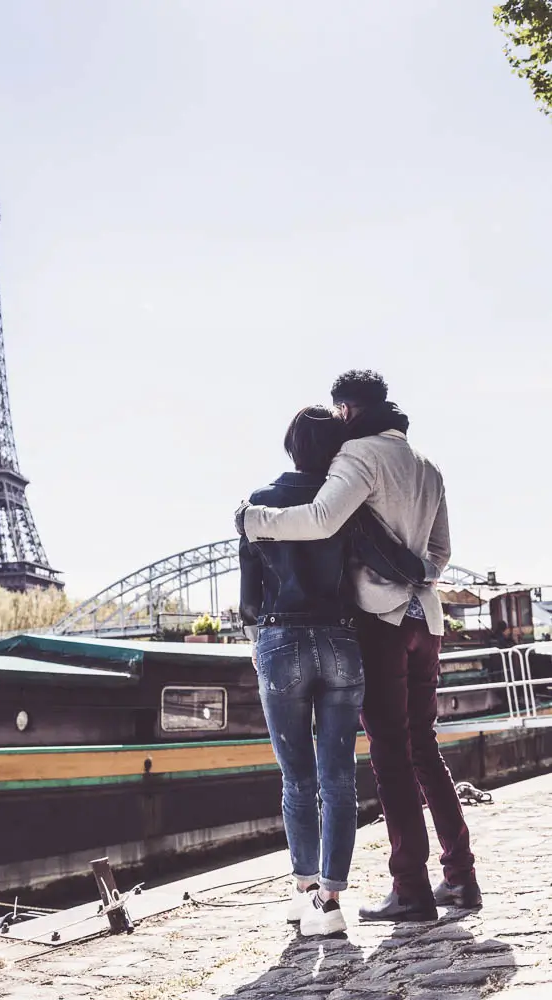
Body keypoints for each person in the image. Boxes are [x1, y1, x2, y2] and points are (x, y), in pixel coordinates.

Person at [236, 371, 481, 923]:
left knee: (391, 755)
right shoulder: (427, 464)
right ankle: (461, 877)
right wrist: (416, 581)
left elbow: (321, 520)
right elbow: (440, 551)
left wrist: (255, 520)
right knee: (425, 747)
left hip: (381, 622)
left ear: (345, 409)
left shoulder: (357, 457)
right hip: (427, 617)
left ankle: (411, 891)